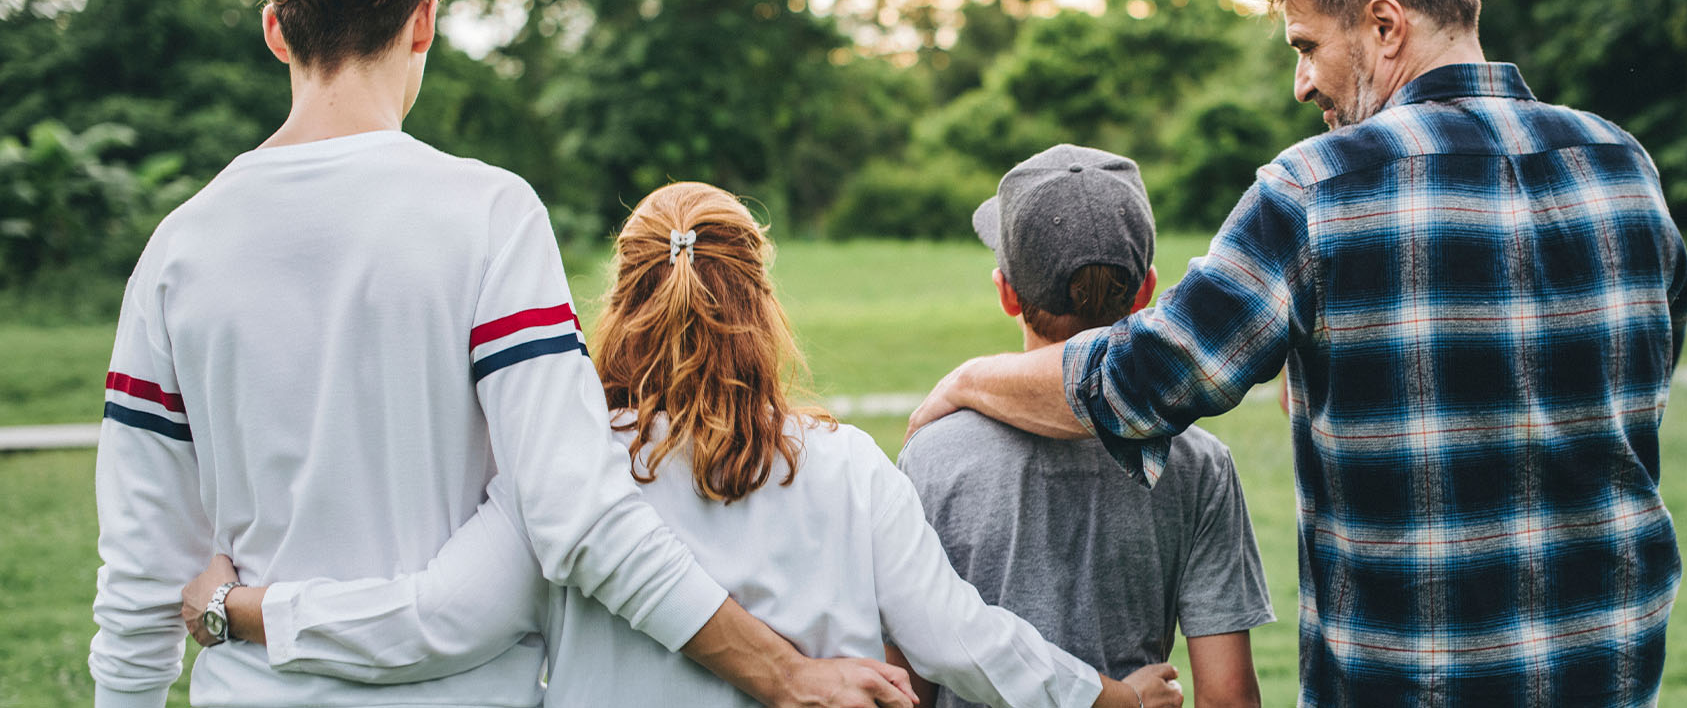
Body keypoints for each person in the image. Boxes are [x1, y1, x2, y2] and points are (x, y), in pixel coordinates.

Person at [90, 0, 907, 708]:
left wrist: (239, 618)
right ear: (424, 20)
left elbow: (139, 582)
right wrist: (782, 672)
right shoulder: (489, 215)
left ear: (276, 29)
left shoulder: (176, 251)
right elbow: (576, 515)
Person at [909, 0, 1687, 706]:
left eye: (1307, 45)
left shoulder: (1318, 188)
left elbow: (1142, 379)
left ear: (1385, 27)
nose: (1300, 82)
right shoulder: (1621, 166)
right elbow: (1633, 375)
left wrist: (971, 380)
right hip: (1611, 671)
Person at [180, 181, 1185, 708]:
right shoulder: (843, 468)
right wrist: (1106, 694)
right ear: (762, 299)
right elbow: (960, 639)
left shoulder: (557, 473)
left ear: (620, 295)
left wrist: (238, 609)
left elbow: (435, 619)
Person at [891, 145, 1273, 708]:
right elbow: (1228, 696)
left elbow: (908, 685)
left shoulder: (932, 454)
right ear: (1148, 292)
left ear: (1006, 292)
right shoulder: (1198, 463)